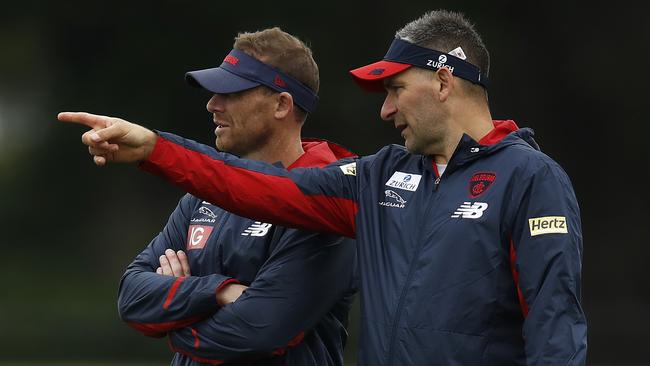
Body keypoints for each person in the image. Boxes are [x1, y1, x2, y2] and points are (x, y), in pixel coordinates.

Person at [59, 10, 587, 365]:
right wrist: (156, 149)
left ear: (444, 82)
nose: (385, 110)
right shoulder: (380, 176)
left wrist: (178, 315)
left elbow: (554, 322)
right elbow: (259, 186)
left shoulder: (530, 177)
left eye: (395, 89)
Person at [80, 28, 358, 366]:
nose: (213, 104)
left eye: (232, 92)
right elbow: (132, 297)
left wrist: (176, 319)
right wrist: (218, 291)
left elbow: (259, 330)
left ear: (282, 105)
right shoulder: (201, 196)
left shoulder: (328, 207)